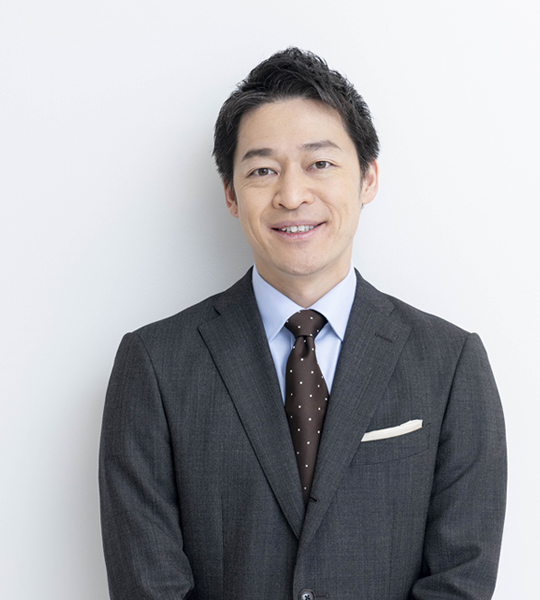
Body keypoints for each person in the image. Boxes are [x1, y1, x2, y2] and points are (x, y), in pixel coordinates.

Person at [99, 47, 507, 600]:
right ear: (230, 195)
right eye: (262, 170)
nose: (292, 196)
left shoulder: (450, 363)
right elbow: (148, 585)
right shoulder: (155, 365)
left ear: (367, 178)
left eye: (320, 164)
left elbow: (462, 577)